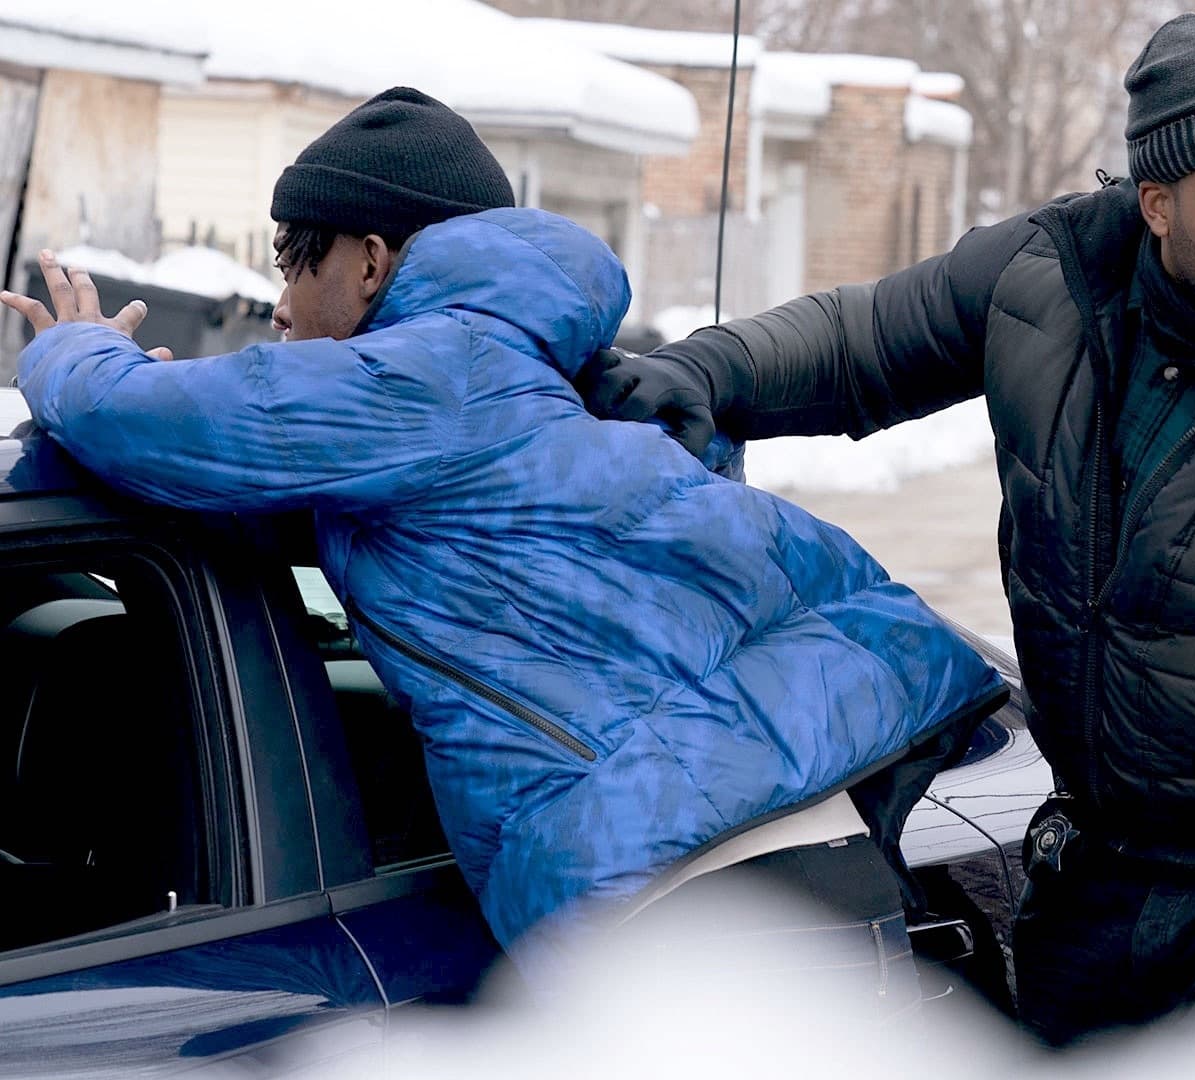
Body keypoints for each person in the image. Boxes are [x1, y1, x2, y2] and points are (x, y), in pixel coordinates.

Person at [577, 12, 1195, 1043]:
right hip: (1097, 875)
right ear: (1158, 205)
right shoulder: (1050, 281)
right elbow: (861, 341)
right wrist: (698, 372)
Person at [0, 87, 1003, 1003]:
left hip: (688, 887)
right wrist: (119, 440)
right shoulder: (508, 389)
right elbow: (230, 483)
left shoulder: (423, 379)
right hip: (785, 840)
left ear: (370, 261)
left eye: (292, 261)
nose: (281, 304)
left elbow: (145, 416)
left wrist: (79, 354)